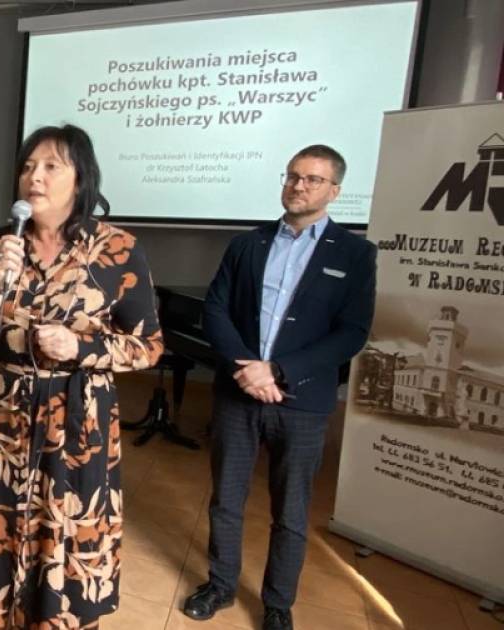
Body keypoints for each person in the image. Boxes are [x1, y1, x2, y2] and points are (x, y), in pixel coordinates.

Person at [0, 124, 164, 627]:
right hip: (5, 424)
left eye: (51, 166)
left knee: (67, 537)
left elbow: (150, 347)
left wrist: (81, 347)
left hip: (78, 429)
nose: (35, 177)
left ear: (80, 178)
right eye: (28, 167)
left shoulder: (117, 249)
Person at [184, 145, 377, 630]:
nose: (298, 186)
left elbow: (352, 333)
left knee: (290, 511)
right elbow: (216, 309)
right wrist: (246, 370)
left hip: (303, 401)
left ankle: (277, 604)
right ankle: (220, 585)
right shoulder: (247, 244)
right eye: (292, 176)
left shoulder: (355, 254)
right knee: (226, 500)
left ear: (335, 191)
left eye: (312, 179)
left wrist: (278, 372)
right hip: (238, 393)